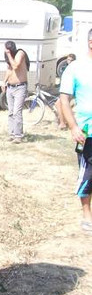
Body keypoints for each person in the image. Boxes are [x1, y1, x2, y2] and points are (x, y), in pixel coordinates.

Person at [58, 29, 92, 233]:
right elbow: (64, 99)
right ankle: (87, 213)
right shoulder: (75, 68)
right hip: (87, 131)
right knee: (89, 173)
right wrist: (73, 126)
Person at [1, 40, 29, 143]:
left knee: (17, 112)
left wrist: (8, 54)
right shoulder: (10, 58)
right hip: (10, 87)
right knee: (11, 112)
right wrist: (4, 82)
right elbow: (9, 69)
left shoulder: (20, 53)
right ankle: (12, 133)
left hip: (20, 87)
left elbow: (15, 66)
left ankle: (18, 136)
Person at [55, 54, 77, 129]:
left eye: (71, 60)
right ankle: (63, 121)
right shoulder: (65, 68)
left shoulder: (74, 69)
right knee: (60, 104)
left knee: (59, 104)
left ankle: (62, 123)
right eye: (68, 60)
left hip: (71, 91)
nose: (69, 61)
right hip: (65, 90)